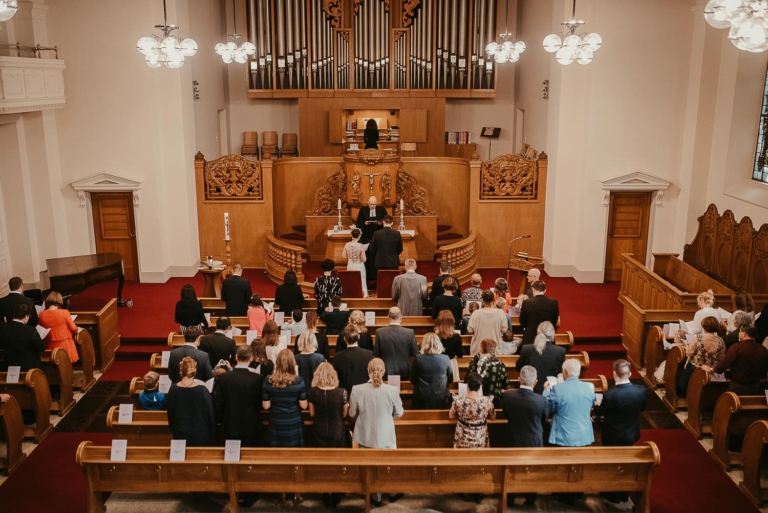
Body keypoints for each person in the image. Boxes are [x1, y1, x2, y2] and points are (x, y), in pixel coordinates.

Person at [214, 345, 264, 508]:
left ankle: (234, 490)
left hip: (232, 424)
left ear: (236, 358)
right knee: (250, 460)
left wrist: (222, 421)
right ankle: (250, 493)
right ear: (250, 359)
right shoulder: (257, 379)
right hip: (251, 424)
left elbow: (219, 404)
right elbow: (259, 404)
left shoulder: (224, 378)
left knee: (233, 459)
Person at [349, 358, 404, 507]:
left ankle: (375, 496)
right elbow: (399, 412)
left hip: (365, 434)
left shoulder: (357, 389)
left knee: (370, 467)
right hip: (386, 433)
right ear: (384, 371)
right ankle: (392, 493)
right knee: (389, 465)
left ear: (368, 370)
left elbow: (352, 413)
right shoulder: (392, 390)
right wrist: (387, 414)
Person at [542, 358, 595, 505]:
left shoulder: (558, 389)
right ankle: (578, 491)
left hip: (564, 433)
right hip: (583, 433)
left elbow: (548, 409)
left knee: (563, 466)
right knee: (579, 464)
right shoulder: (590, 387)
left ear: (564, 372)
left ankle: (564, 494)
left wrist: (546, 391)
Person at [593, 359, 647, 504]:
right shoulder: (641, 390)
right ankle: (624, 493)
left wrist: (597, 405)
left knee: (612, 464)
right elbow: (642, 409)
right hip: (630, 433)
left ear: (614, 374)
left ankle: (612, 495)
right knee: (625, 463)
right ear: (629, 374)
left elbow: (601, 412)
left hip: (613, 434)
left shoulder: (610, 394)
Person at [501, 366, 546, 507]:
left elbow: (507, 413)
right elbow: (543, 420)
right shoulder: (542, 400)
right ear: (535, 382)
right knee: (531, 470)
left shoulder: (508, 396)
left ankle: (509, 499)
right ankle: (530, 499)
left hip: (513, 437)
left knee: (511, 469)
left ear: (519, 379)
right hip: (533, 439)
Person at [308, 362, 349, 508]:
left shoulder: (313, 392)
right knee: (338, 462)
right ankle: (337, 492)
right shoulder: (342, 392)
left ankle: (325, 491)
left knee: (322, 463)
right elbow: (344, 414)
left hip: (319, 429)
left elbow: (312, 413)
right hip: (337, 429)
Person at [703, 325, 768, 395]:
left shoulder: (736, 348)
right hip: (755, 387)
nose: (738, 334)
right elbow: (765, 369)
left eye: (740, 332)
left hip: (738, 386)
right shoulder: (763, 349)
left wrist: (712, 369)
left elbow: (724, 364)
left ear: (745, 333)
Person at [262, 349, 308, 447]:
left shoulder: (268, 380)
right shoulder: (298, 381)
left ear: (277, 363)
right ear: (292, 363)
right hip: (294, 420)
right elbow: (303, 406)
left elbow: (266, 406)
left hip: (276, 420)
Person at [167, 357, 215, 446]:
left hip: (180, 431)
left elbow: (171, 414)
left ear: (180, 368)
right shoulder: (203, 390)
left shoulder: (173, 389)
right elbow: (210, 413)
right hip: (201, 432)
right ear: (195, 370)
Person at [676, 316, 725, 396]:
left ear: (704, 326)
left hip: (696, 369)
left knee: (682, 385)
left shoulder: (699, 338)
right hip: (712, 371)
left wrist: (687, 344)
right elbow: (722, 358)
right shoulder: (720, 341)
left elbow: (689, 353)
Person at [515, 322, 565, 394]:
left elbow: (518, 367)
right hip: (551, 390)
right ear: (552, 334)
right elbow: (560, 372)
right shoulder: (560, 351)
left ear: (538, 332)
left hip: (531, 389)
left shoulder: (527, 349)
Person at [449, 372, 496, 448]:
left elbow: (451, 416)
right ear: (480, 386)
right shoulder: (487, 401)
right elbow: (493, 417)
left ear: (467, 386)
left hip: (462, 437)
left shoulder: (458, 400)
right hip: (479, 438)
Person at [374, 307, 419, 379]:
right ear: (401, 317)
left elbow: (376, 353)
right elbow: (415, 353)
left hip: (386, 371)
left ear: (388, 316)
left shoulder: (379, 332)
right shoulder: (409, 332)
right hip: (405, 371)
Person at [411, 333, 453, 409]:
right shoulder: (445, 358)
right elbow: (450, 379)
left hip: (422, 396)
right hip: (441, 395)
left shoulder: (418, 358)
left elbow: (413, 379)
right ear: (438, 344)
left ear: (424, 343)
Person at [37, 291, 80, 363]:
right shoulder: (64, 312)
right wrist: (77, 329)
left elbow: (41, 330)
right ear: (59, 301)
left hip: (49, 344)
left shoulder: (42, 314)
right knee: (66, 365)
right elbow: (74, 328)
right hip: (64, 343)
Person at [0, 304, 45, 371]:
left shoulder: (3, 328)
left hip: (10, 367)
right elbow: (41, 347)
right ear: (26, 316)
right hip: (29, 368)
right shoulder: (30, 330)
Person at [468, 339, 510, 407]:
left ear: (481, 348)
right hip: (494, 400)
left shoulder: (473, 363)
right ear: (493, 350)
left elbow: (467, 380)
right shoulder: (500, 365)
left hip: (476, 401)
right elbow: (506, 385)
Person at [334, 325, 374, 393]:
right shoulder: (369, 354)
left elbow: (336, 377)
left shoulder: (338, 356)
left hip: (346, 392)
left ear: (344, 339)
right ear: (358, 337)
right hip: (364, 391)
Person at [466, 290, 507, 356]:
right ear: (493, 300)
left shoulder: (475, 313)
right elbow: (504, 329)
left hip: (478, 348)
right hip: (494, 348)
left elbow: (470, 330)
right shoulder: (500, 313)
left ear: (482, 300)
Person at [519, 280, 559, 346]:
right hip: (548, 337)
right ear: (545, 290)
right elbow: (555, 320)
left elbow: (522, 322)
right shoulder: (553, 302)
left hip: (531, 338)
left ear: (533, 289)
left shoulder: (527, 303)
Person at [342, 228, 368, 297]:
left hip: (350, 264)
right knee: (361, 281)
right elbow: (364, 259)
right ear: (359, 236)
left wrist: (351, 256)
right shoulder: (360, 246)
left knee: (351, 280)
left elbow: (343, 255)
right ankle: (362, 296)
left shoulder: (347, 244)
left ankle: (351, 294)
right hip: (359, 265)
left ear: (351, 235)